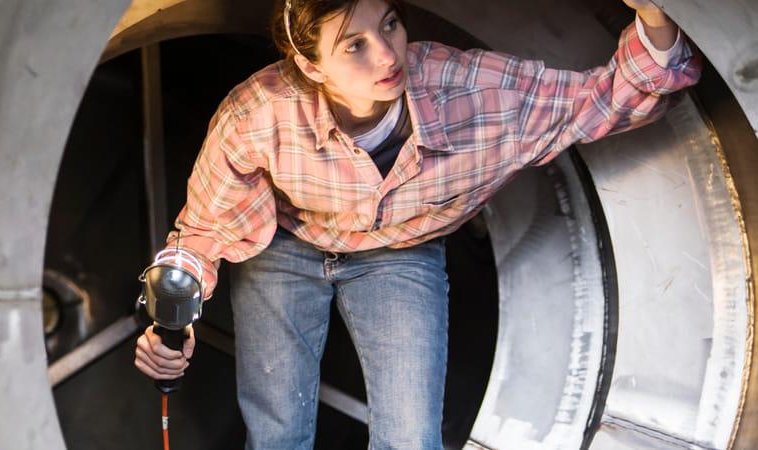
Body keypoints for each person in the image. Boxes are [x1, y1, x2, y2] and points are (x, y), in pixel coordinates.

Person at [130, 0, 700, 448]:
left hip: (402, 251)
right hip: (288, 245)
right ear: (309, 66)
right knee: (277, 433)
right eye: (354, 45)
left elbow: (598, 102)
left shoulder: (470, 91)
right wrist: (171, 316)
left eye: (392, 24)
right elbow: (202, 234)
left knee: (412, 440)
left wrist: (654, 16)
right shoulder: (258, 114)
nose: (387, 56)